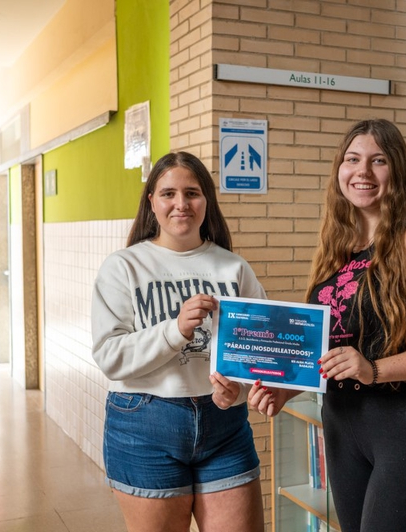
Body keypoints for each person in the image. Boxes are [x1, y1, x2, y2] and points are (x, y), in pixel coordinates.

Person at [249, 119, 406, 532]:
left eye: (378, 161)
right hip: (342, 427)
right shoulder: (337, 249)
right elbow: (331, 351)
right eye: (353, 160)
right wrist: (286, 387)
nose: (362, 172)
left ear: (397, 171)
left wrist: (375, 369)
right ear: (340, 170)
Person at [91, 151, 266, 532]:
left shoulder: (233, 267)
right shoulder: (124, 266)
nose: (181, 204)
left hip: (225, 427)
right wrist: (176, 330)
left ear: (207, 201)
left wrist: (235, 390)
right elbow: (110, 356)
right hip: (144, 425)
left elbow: (259, 354)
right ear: (151, 201)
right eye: (168, 193)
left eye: (193, 193)